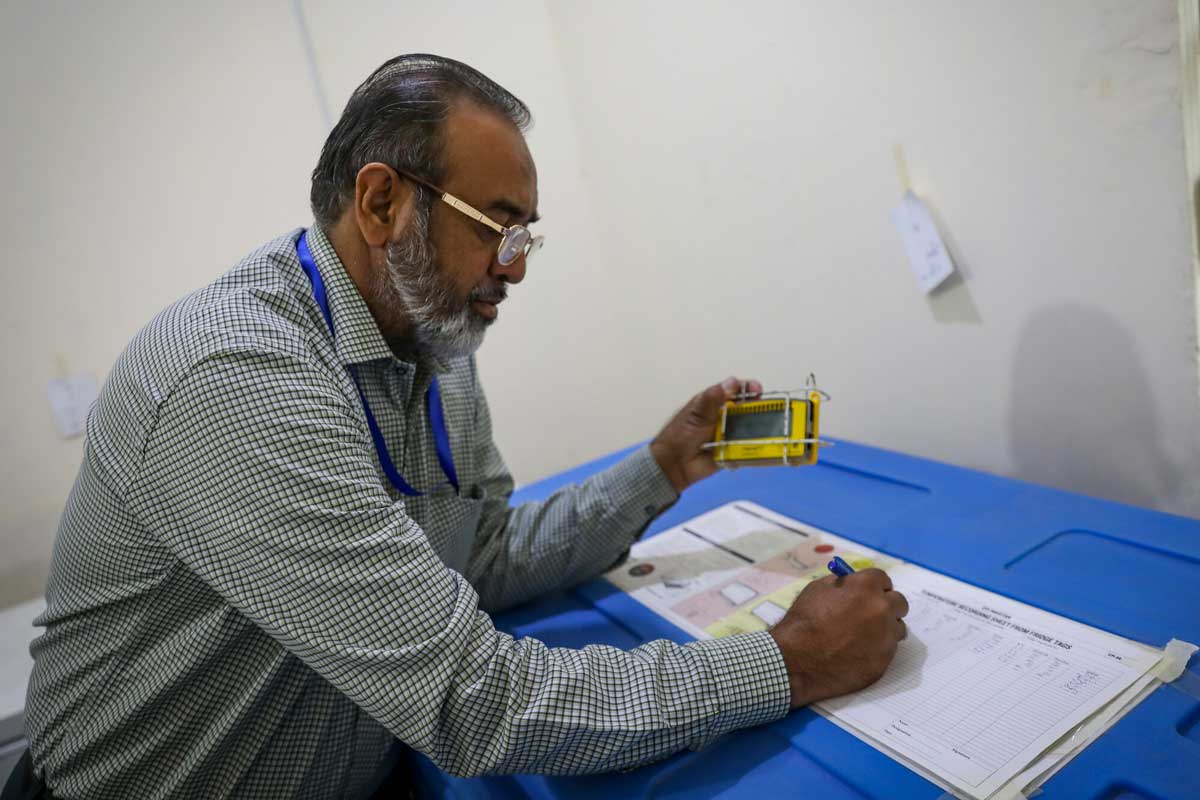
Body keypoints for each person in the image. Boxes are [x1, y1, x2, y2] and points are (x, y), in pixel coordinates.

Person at [9, 54, 908, 800]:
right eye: (498, 229)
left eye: (527, 238)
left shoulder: (433, 343)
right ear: (380, 204)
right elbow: (471, 699)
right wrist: (788, 663)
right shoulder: (239, 378)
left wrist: (664, 467)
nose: (514, 269)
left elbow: (476, 559)